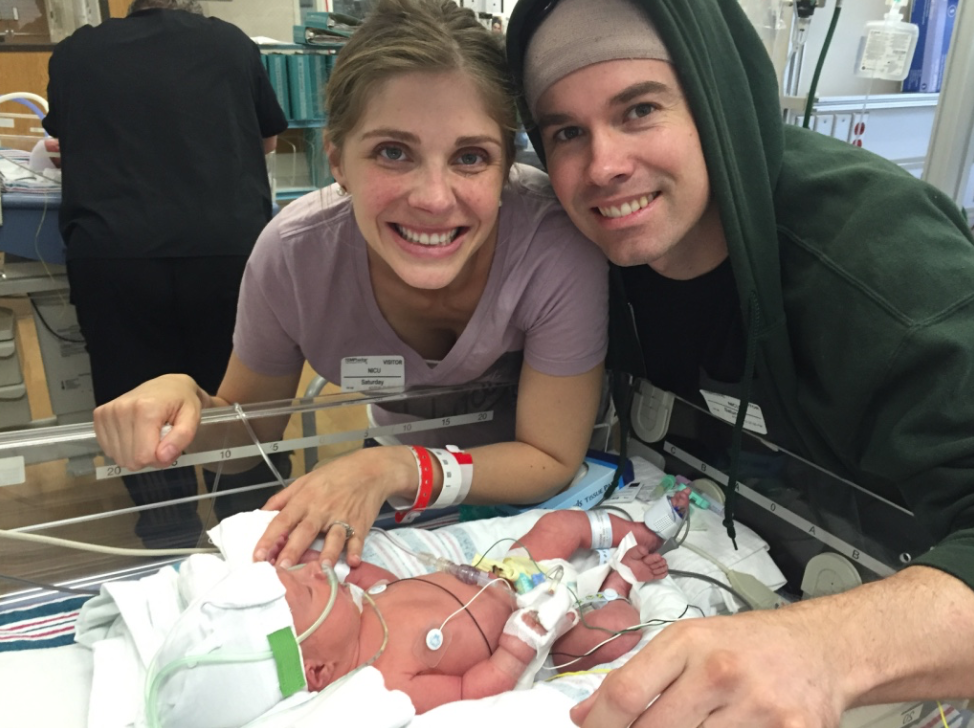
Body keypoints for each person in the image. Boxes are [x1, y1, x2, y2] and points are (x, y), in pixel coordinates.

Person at [504, 0, 974, 726]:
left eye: (639, 111)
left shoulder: (881, 277)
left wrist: (825, 649)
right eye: (566, 131)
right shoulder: (587, 252)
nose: (603, 167)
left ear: (716, 101)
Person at [93, 0, 608, 570]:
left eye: (470, 157)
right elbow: (246, 445)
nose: (434, 199)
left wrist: (392, 469)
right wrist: (184, 407)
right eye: (393, 152)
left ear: (507, 163)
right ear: (337, 158)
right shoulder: (295, 259)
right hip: (392, 478)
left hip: (526, 497)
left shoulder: (552, 247)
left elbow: (550, 458)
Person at [43, 0, 289, 547]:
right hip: (226, 248)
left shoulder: (76, 54)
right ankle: (249, 535)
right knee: (238, 397)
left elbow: (66, 144)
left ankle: (167, 534)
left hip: (116, 254)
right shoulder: (230, 44)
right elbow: (268, 140)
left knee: (137, 399)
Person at [150, 500, 687, 724]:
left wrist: (304, 555)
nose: (315, 573)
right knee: (611, 634)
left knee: (559, 528)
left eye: (299, 571)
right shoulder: (384, 678)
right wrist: (516, 648)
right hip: (533, 624)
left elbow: (355, 569)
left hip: (501, 571)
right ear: (318, 670)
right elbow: (468, 690)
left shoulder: (365, 600)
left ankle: (641, 531)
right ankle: (621, 580)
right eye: (308, 591)